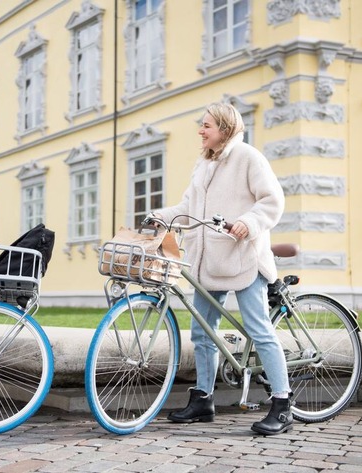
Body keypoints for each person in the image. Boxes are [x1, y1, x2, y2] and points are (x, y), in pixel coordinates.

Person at [150, 102, 292, 435]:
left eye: (207, 125)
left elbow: (272, 199)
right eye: (201, 125)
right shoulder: (203, 164)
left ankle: (283, 404)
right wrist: (161, 216)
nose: (201, 131)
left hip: (243, 257)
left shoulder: (247, 158)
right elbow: (188, 208)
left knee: (259, 331)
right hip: (209, 259)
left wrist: (248, 222)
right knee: (202, 332)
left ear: (225, 129)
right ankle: (203, 399)